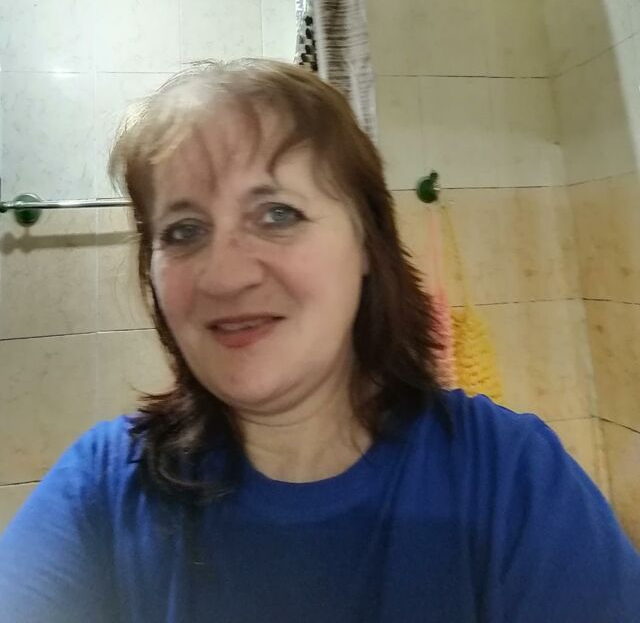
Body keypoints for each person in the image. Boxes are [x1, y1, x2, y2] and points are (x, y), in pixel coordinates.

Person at [1, 58, 639, 623]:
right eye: (184, 230)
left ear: (366, 244)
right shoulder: (101, 489)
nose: (224, 276)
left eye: (277, 214)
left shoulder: (509, 478)